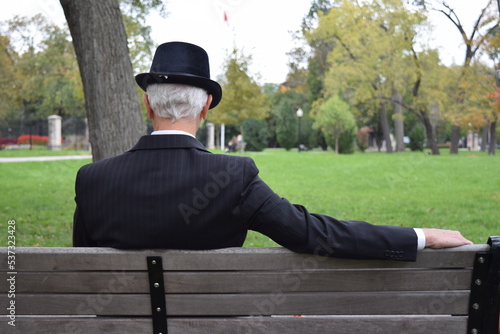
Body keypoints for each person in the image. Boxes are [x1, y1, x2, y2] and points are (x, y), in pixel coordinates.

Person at [73, 42, 472, 260]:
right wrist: (421, 236)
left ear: (148, 105)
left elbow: (81, 271)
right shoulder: (233, 177)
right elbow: (315, 234)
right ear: (206, 107)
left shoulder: (91, 181)